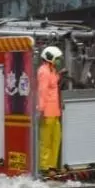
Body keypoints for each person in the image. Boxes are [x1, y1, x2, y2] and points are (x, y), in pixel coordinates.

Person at [36, 46, 63, 175]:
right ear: (50, 58)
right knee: (46, 141)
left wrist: (60, 75)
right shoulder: (44, 71)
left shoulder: (52, 70)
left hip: (55, 111)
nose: (58, 61)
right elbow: (42, 91)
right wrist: (41, 110)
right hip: (47, 112)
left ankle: (52, 165)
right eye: (57, 58)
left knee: (56, 138)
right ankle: (44, 167)